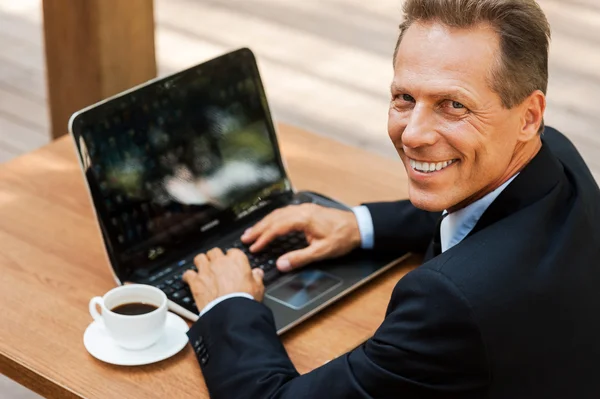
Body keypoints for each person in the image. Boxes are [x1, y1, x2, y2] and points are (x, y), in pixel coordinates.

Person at [181, 0, 600, 397]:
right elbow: (474, 213)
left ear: (528, 116)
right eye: (404, 98)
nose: (413, 134)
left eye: (453, 105)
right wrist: (358, 225)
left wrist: (228, 305)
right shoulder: (556, 157)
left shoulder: (447, 306)